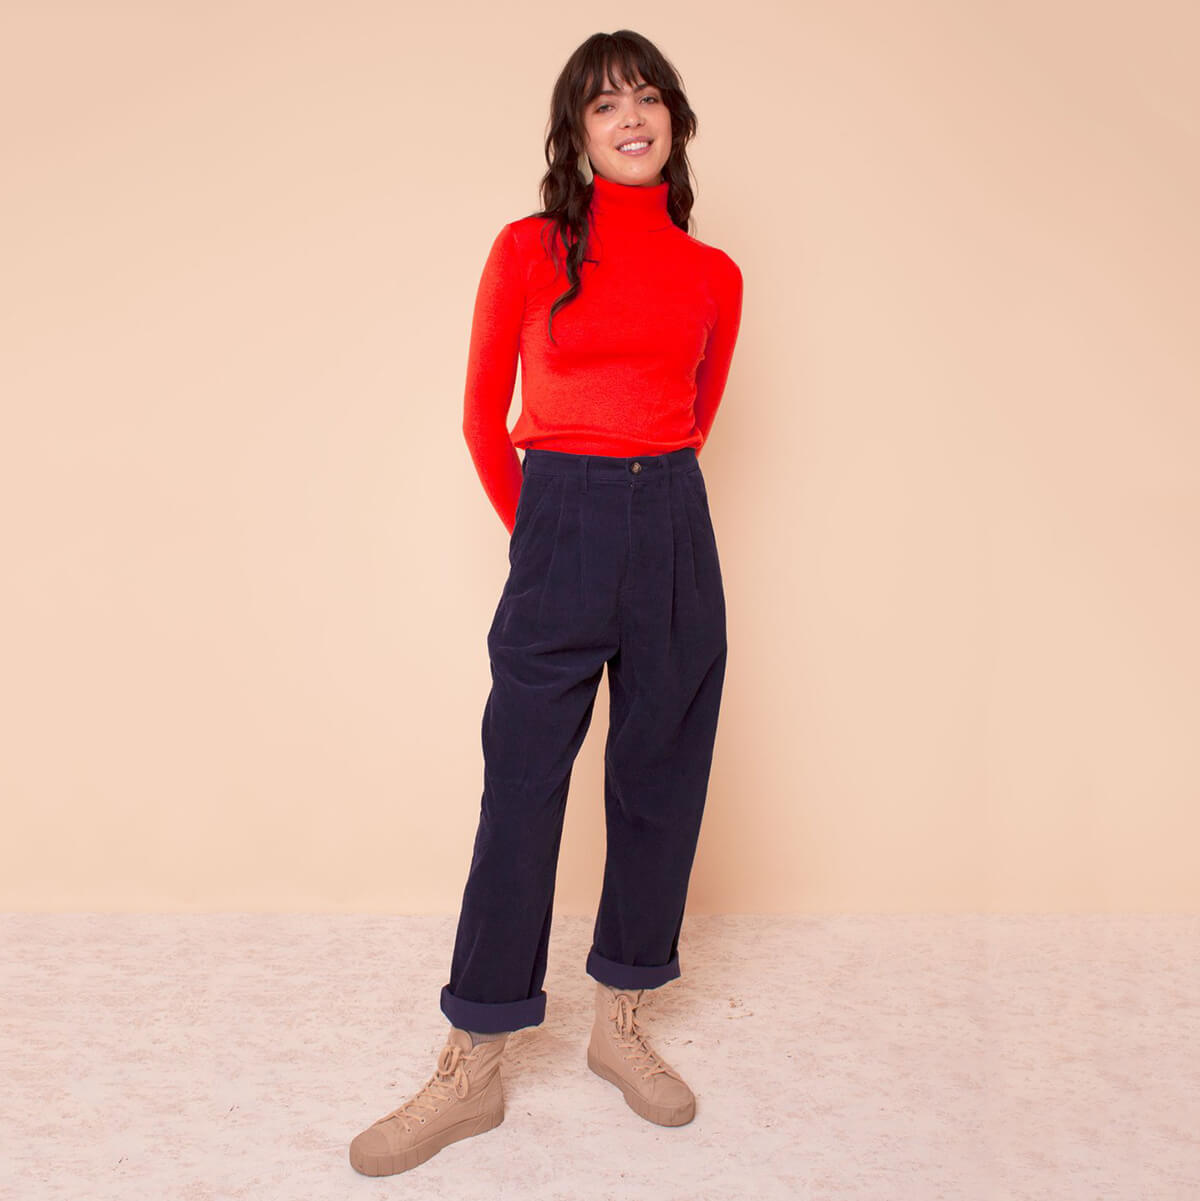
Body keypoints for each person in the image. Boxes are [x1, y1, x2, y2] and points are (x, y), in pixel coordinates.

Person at [349, 29, 744, 1178]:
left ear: (674, 120)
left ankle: (622, 1022)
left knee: (662, 778)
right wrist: (545, 539)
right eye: (604, 103)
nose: (631, 117)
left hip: (673, 521)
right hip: (560, 515)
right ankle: (474, 1060)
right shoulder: (530, 248)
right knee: (521, 786)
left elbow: (695, 413)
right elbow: (485, 416)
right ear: (576, 133)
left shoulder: (716, 275)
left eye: (647, 97)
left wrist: (643, 510)